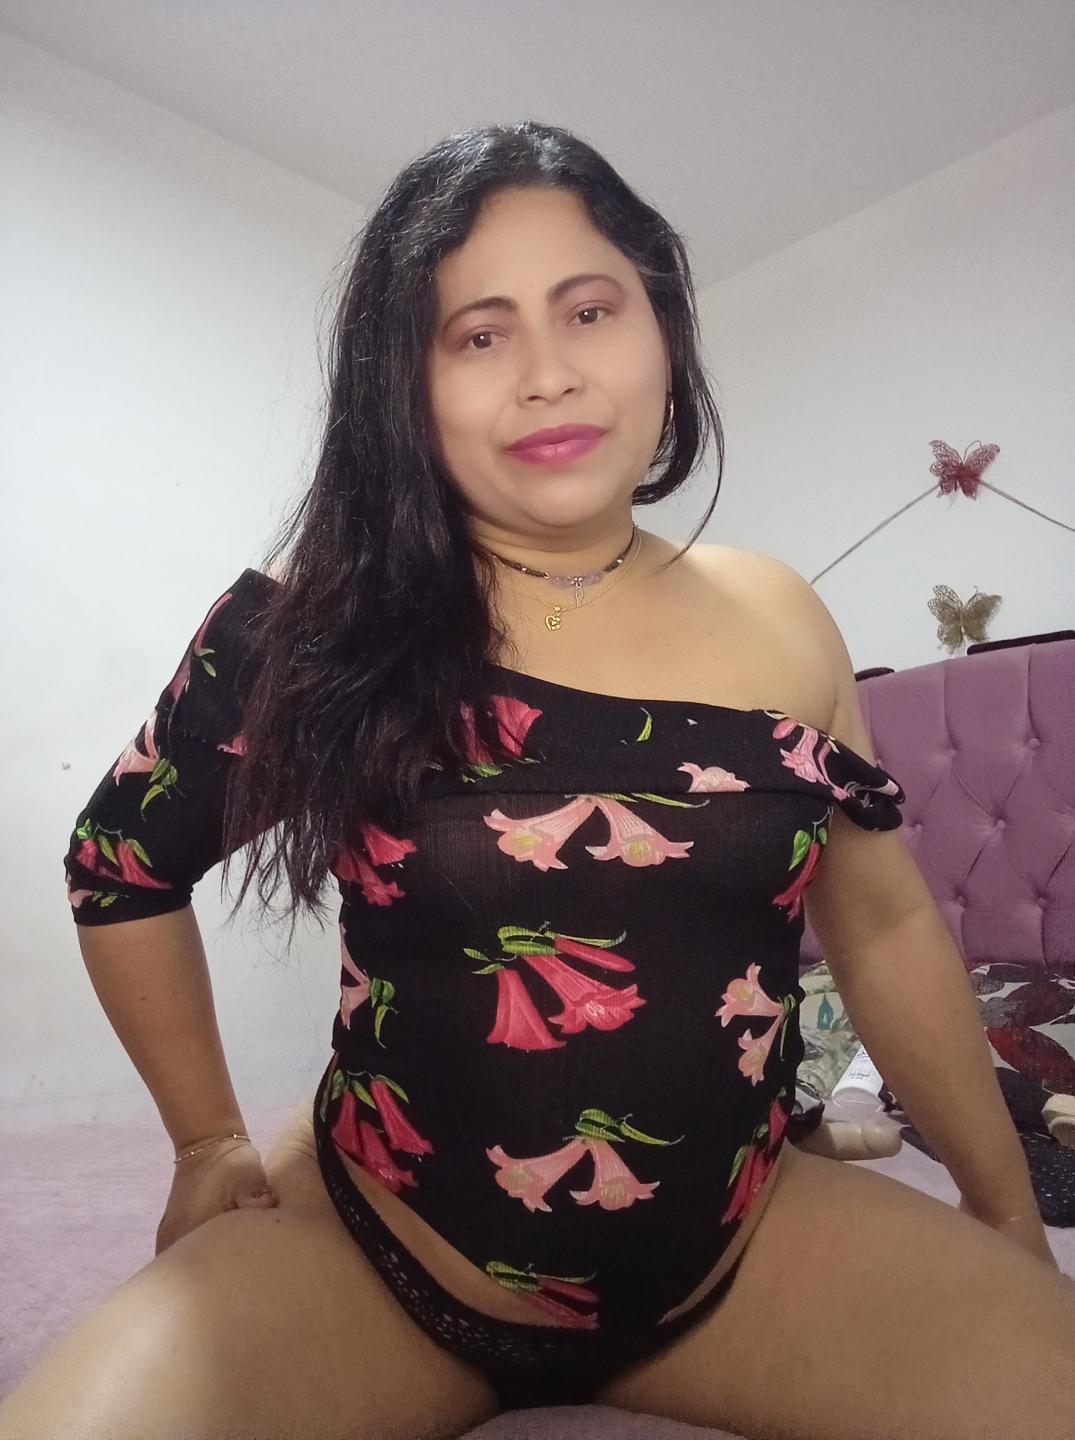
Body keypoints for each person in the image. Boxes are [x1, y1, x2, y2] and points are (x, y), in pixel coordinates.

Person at [3, 121, 1072, 1440]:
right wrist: (205, 1140)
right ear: (406, 385)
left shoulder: (784, 615)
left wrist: (1004, 1211)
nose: (549, 374)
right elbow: (118, 863)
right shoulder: (321, 621)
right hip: (374, 1260)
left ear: (662, 329)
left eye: (590, 311)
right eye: (479, 334)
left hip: (745, 1260)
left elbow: (887, 921)